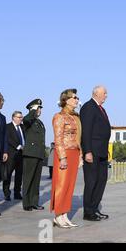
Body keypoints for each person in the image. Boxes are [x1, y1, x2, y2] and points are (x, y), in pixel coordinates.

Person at [51, 89, 82, 228]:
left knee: (70, 186)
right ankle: (58, 215)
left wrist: (80, 155)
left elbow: (78, 138)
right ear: (66, 100)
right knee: (61, 185)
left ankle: (65, 215)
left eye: (77, 97)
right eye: (74, 97)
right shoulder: (59, 116)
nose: (77, 99)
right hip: (64, 154)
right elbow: (58, 139)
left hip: (74, 152)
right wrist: (62, 157)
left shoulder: (75, 117)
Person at [80, 86, 111, 222]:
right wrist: (87, 151)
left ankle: (95, 209)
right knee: (91, 181)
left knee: (101, 180)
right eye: (104, 93)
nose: (106, 95)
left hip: (102, 152)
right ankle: (88, 212)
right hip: (92, 151)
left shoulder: (101, 109)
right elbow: (86, 131)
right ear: (96, 93)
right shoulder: (88, 107)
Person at [22, 99, 46, 211]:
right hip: (30, 154)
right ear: (33, 109)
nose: (40, 110)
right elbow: (27, 119)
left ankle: (34, 202)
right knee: (28, 179)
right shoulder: (28, 120)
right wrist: (33, 110)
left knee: (36, 180)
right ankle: (27, 203)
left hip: (39, 154)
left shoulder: (39, 122)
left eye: (40, 108)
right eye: (38, 108)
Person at [2, 111, 25, 201]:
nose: (21, 119)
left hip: (22, 155)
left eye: (21, 117)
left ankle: (17, 193)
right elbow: (8, 139)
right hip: (11, 154)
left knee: (19, 175)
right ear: (13, 118)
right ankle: (7, 193)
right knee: (8, 175)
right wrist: (18, 146)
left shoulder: (22, 127)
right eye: (19, 117)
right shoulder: (8, 127)